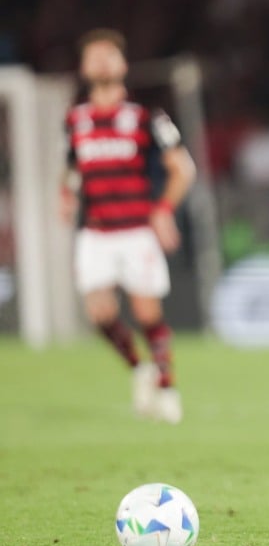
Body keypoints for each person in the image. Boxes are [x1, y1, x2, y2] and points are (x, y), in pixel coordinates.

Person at [60, 29, 196, 424]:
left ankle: (168, 389)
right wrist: (65, 194)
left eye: (109, 54)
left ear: (123, 64)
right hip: (95, 231)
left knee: (147, 314)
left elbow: (182, 168)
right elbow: (70, 170)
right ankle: (141, 369)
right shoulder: (75, 120)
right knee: (99, 314)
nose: (101, 61)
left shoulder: (146, 118)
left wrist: (162, 209)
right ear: (84, 67)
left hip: (136, 230)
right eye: (94, 55)